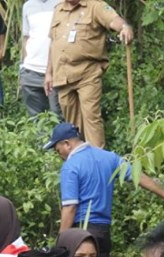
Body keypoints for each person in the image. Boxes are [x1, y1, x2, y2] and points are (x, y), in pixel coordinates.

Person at [46, 123, 164, 257]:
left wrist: (62, 241)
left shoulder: (71, 166)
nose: (60, 156)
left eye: (58, 151)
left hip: (82, 233)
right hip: (103, 232)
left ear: (67, 144)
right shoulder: (109, 157)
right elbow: (137, 175)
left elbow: (70, 207)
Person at [46, 0, 132, 148]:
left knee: (91, 118)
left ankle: (97, 161)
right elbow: (54, 44)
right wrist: (49, 73)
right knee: (71, 126)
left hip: (87, 73)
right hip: (63, 76)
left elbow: (114, 20)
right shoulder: (58, 10)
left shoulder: (95, 6)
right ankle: (79, 162)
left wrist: (124, 27)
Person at [19, 0, 60, 114]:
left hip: (55, 72)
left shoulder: (62, 3)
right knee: (35, 118)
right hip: (31, 71)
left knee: (58, 116)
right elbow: (26, 38)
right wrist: (23, 65)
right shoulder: (27, 6)